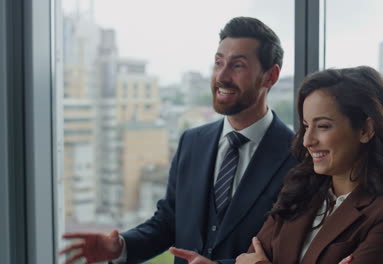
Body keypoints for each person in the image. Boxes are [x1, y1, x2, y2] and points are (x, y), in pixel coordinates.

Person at [60, 17, 298, 264]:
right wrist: (121, 246)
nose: (222, 76)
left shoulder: (297, 156)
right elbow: (169, 222)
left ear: (271, 76)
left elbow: (292, 251)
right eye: (218, 63)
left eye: (237, 66)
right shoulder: (192, 142)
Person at [232, 66, 383, 264]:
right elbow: (247, 256)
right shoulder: (298, 192)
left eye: (323, 126)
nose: (307, 140)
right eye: (306, 126)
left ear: (366, 129)